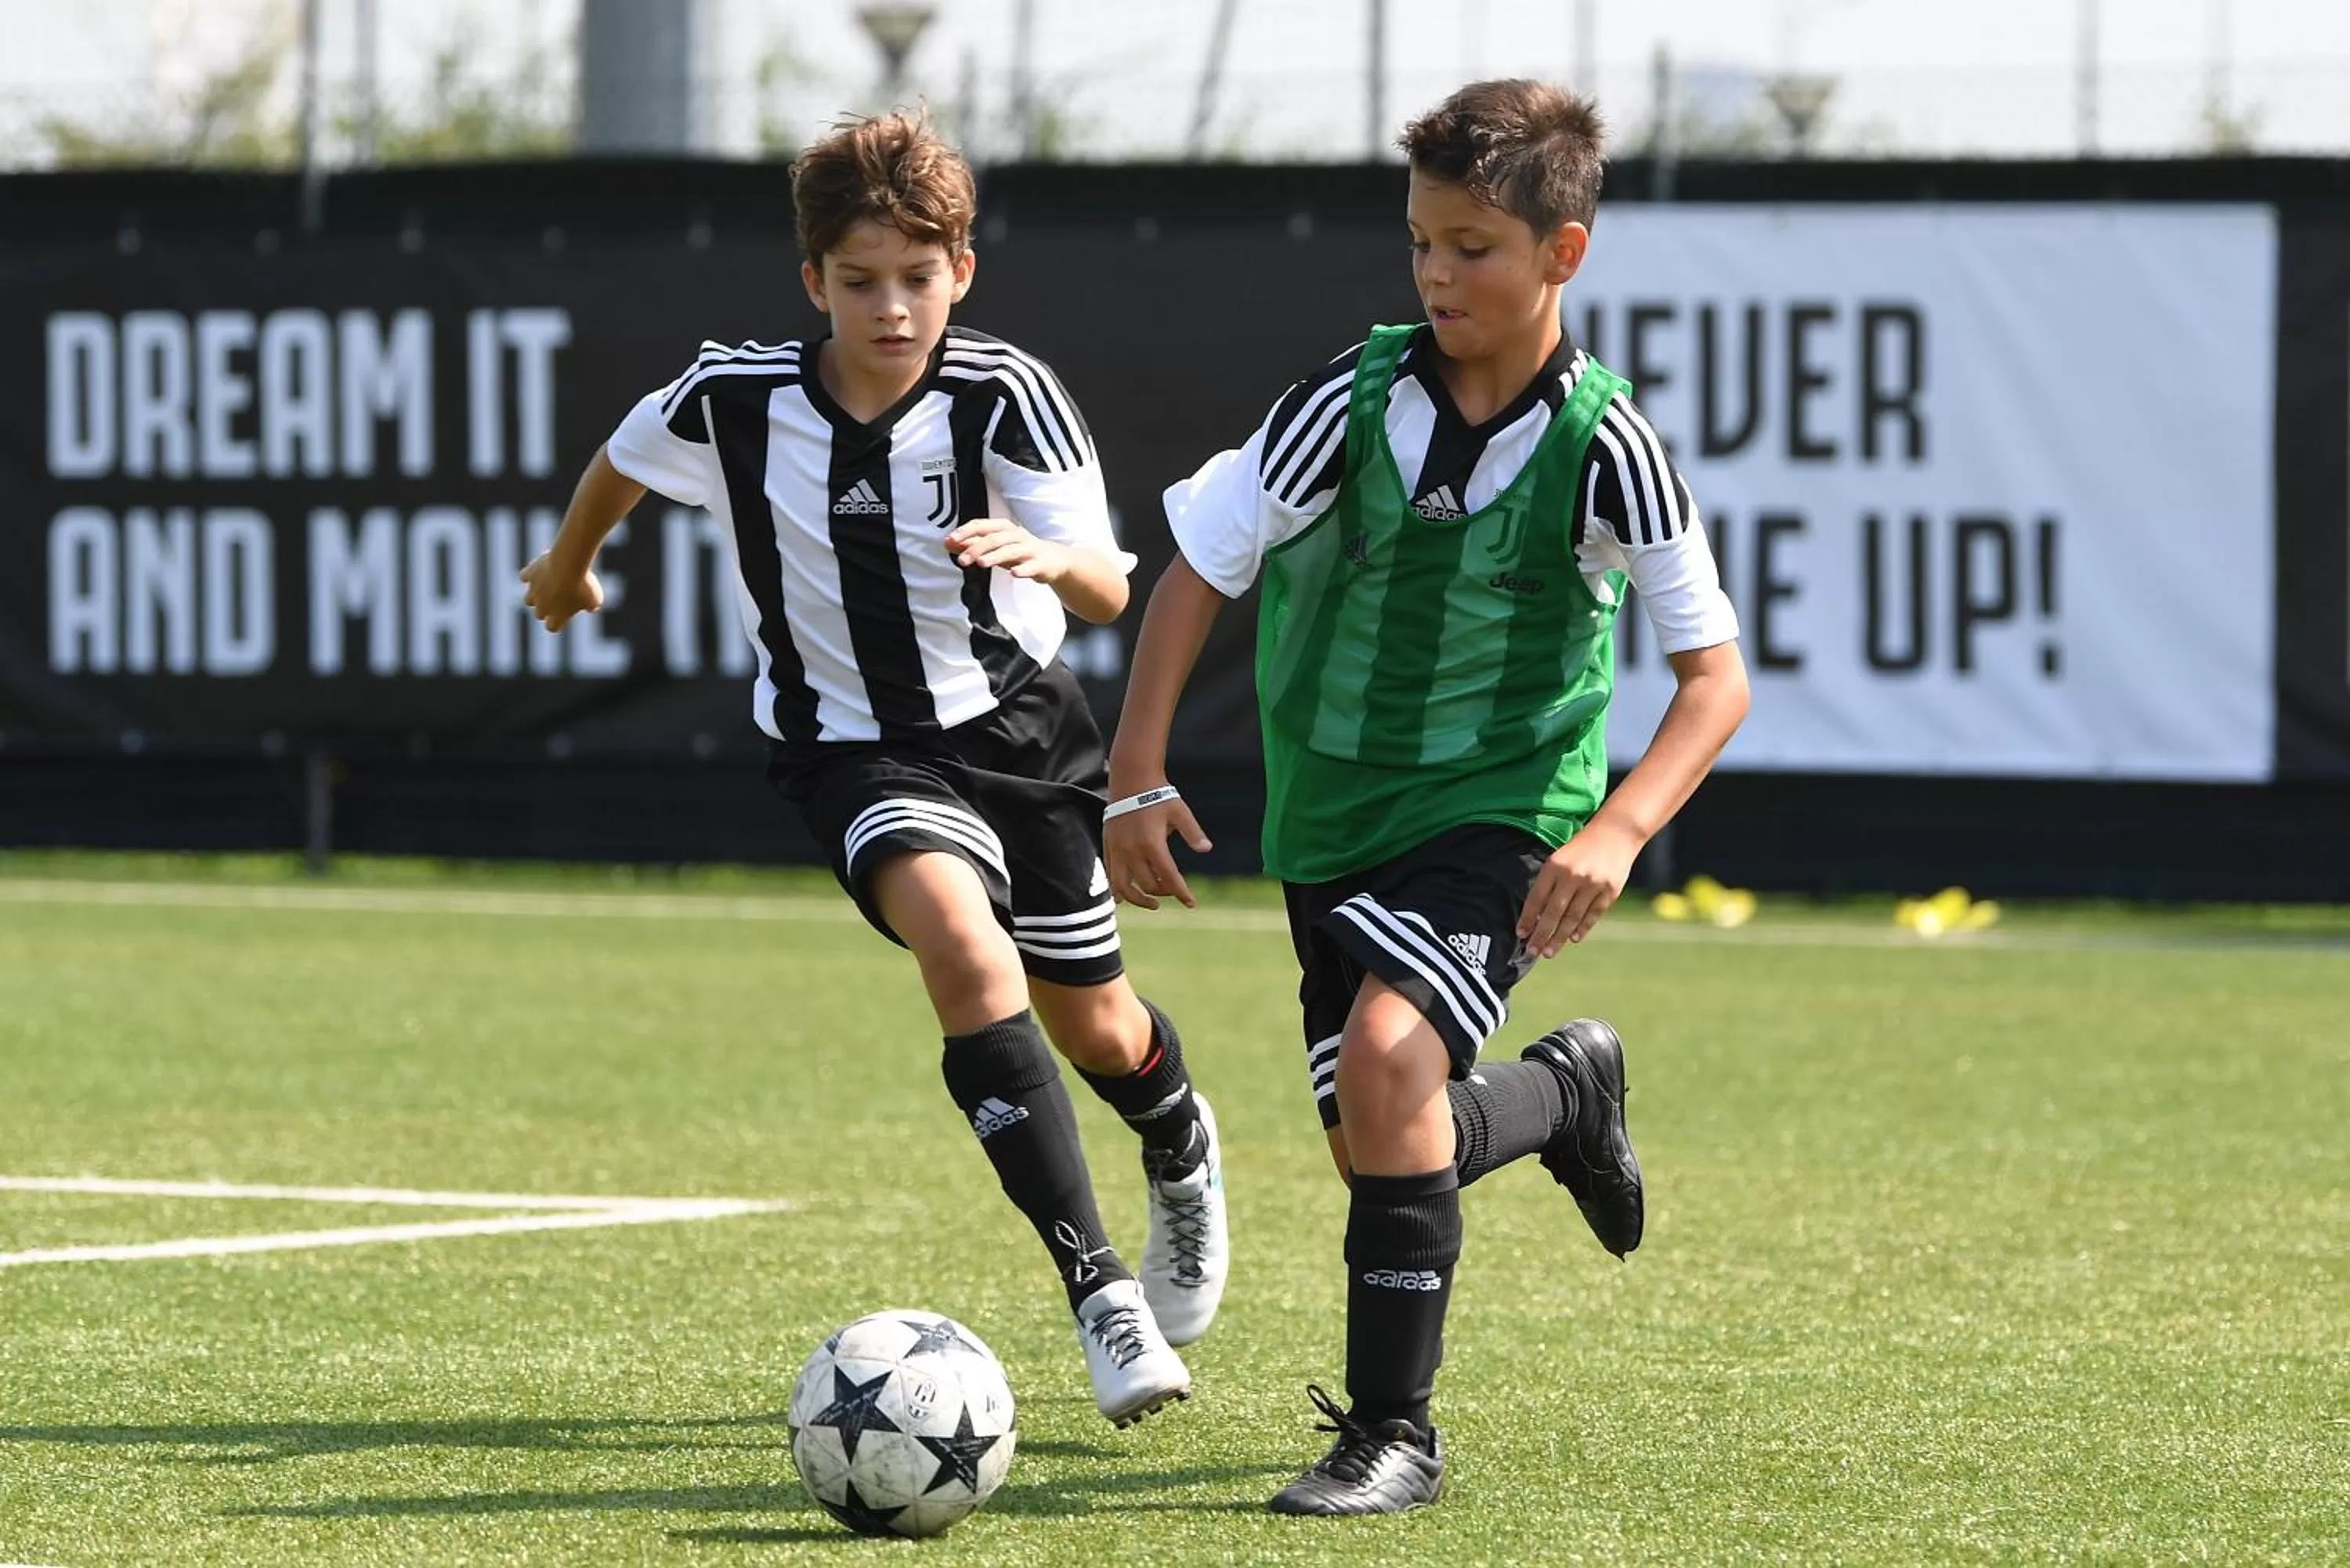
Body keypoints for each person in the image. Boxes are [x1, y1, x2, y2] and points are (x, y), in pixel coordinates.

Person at [522, 110, 1228, 1428]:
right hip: (849, 751)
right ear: (813, 284)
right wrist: (568, 569)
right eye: (860, 281)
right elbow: (623, 459)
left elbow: (1112, 577)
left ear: (961, 272)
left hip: (1020, 738)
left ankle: (1179, 1139)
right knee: (966, 955)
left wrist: (1046, 561)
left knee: (1098, 1028)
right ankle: (1100, 1295)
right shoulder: (734, 397)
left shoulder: (1004, 392)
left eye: (918, 277)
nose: (891, 308)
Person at [1104, 78, 1749, 1511]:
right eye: (1421, 245)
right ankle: (1568, 1094)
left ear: (1562, 255)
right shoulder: (1344, 402)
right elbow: (1200, 570)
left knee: (1394, 1068)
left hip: (1502, 817)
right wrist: (1133, 776)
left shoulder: (1609, 447)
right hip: (1330, 825)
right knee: (1379, 1137)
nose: (1439, 274)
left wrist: (1617, 830)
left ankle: (1394, 1433)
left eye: (1475, 248)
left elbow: (1715, 681)